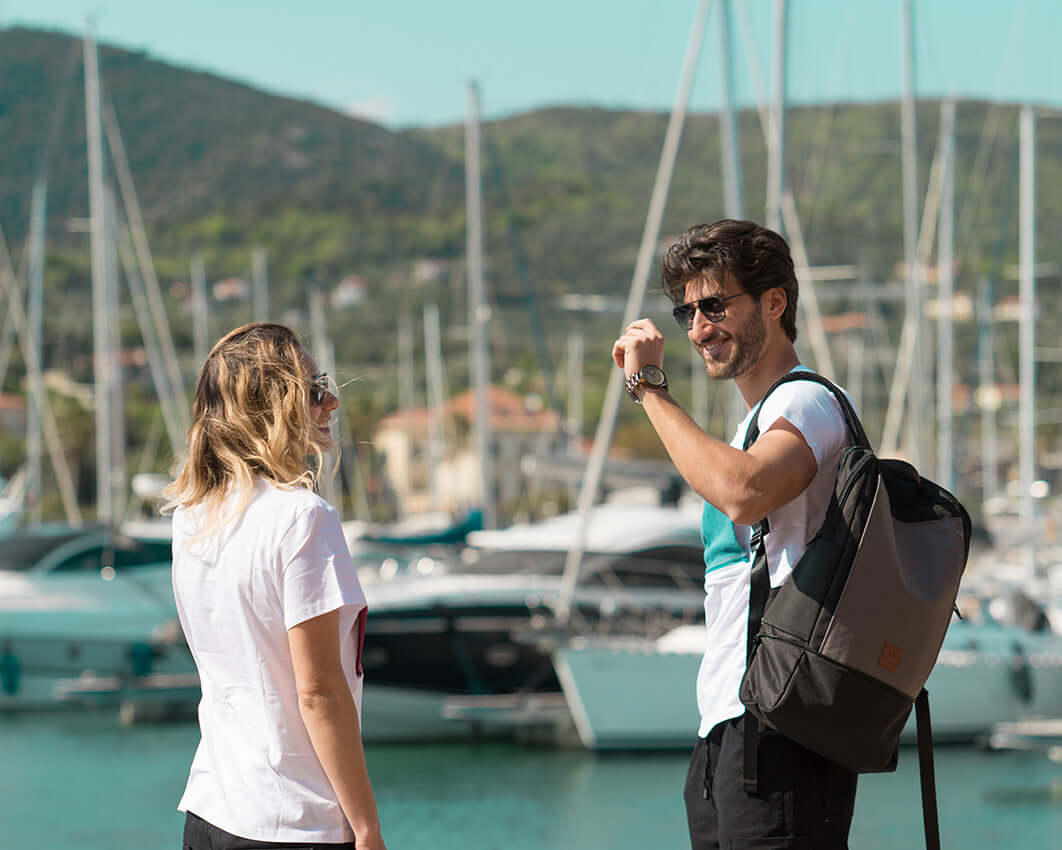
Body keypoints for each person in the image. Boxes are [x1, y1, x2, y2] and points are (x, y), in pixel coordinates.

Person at [611, 220, 858, 849]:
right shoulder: (755, 418)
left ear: (775, 302)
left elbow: (745, 491)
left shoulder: (806, 403)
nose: (697, 328)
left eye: (714, 304)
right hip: (729, 721)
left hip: (781, 727)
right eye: (687, 311)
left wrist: (649, 389)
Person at [164, 323, 386, 850]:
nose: (331, 401)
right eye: (313, 389)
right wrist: (367, 828)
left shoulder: (191, 517)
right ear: (272, 406)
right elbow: (320, 693)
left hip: (211, 810)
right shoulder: (304, 519)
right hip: (294, 822)